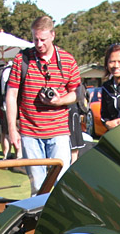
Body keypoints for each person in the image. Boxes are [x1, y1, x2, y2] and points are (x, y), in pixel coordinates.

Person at [5, 15, 81, 192]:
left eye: (43, 40)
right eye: (35, 39)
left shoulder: (67, 60)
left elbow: (77, 93)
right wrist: (12, 129)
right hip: (30, 132)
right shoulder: (22, 59)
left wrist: (59, 101)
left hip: (59, 131)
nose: (39, 44)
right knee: (38, 187)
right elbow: (11, 94)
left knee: (62, 185)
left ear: (53, 35)